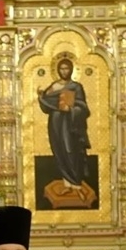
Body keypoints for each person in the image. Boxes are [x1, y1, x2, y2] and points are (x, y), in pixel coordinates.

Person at [37, 58, 91, 199]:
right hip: (55, 124)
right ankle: (68, 185)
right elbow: (46, 106)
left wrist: (71, 110)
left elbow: (83, 108)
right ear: (57, 70)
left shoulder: (76, 87)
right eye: (62, 69)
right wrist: (41, 96)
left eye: (67, 68)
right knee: (59, 151)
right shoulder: (53, 86)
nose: (64, 71)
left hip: (71, 126)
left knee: (71, 151)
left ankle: (77, 185)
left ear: (71, 70)